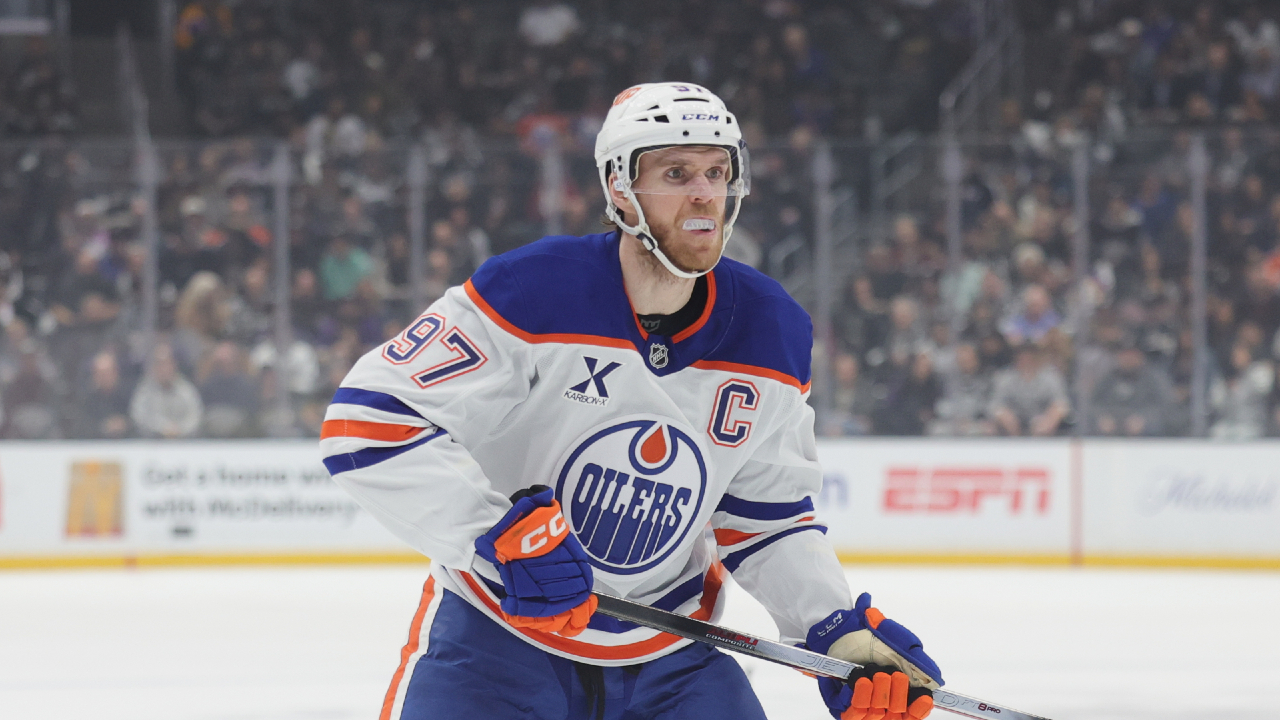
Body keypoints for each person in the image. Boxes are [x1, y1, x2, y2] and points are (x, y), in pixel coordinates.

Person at [322, 83, 942, 720]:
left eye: (717, 172)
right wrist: (494, 536)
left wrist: (833, 627)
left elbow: (765, 516)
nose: (704, 193)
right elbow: (366, 422)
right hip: (497, 638)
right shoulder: (533, 290)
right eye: (676, 173)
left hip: (672, 659)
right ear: (620, 187)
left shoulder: (772, 329)